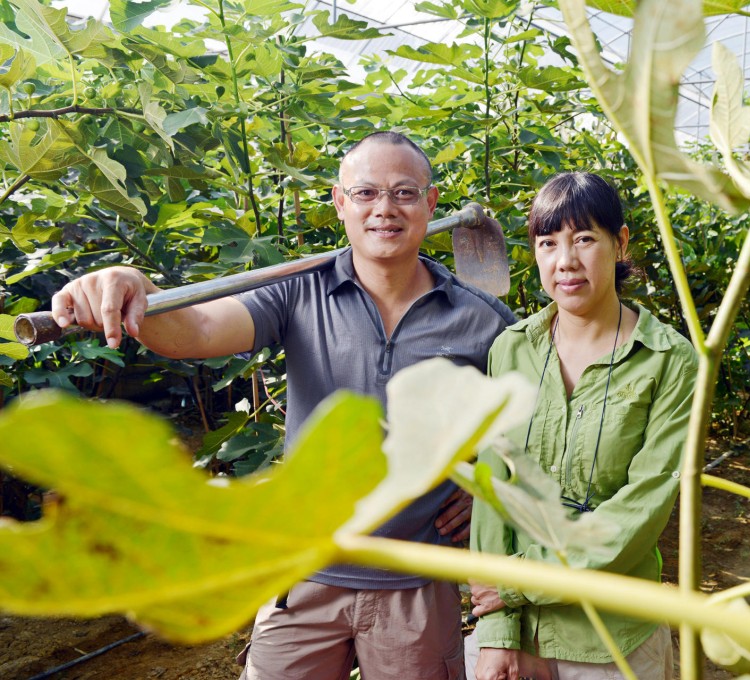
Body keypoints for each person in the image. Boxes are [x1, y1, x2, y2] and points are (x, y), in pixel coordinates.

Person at [50, 130, 517, 680]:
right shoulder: (298, 291)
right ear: (340, 203)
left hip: (415, 581)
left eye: (404, 193)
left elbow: (524, 429)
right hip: (304, 572)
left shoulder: (482, 319)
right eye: (365, 194)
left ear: (431, 203)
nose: (384, 209)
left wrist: (489, 488)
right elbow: (196, 330)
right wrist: (134, 287)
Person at [465, 172, 697, 680]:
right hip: (512, 635)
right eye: (547, 243)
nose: (564, 261)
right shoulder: (512, 348)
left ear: (621, 243)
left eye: (584, 239)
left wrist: (516, 582)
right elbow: (492, 489)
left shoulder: (669, 359)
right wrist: (499, 630)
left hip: (613, 641)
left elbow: (643, 506)